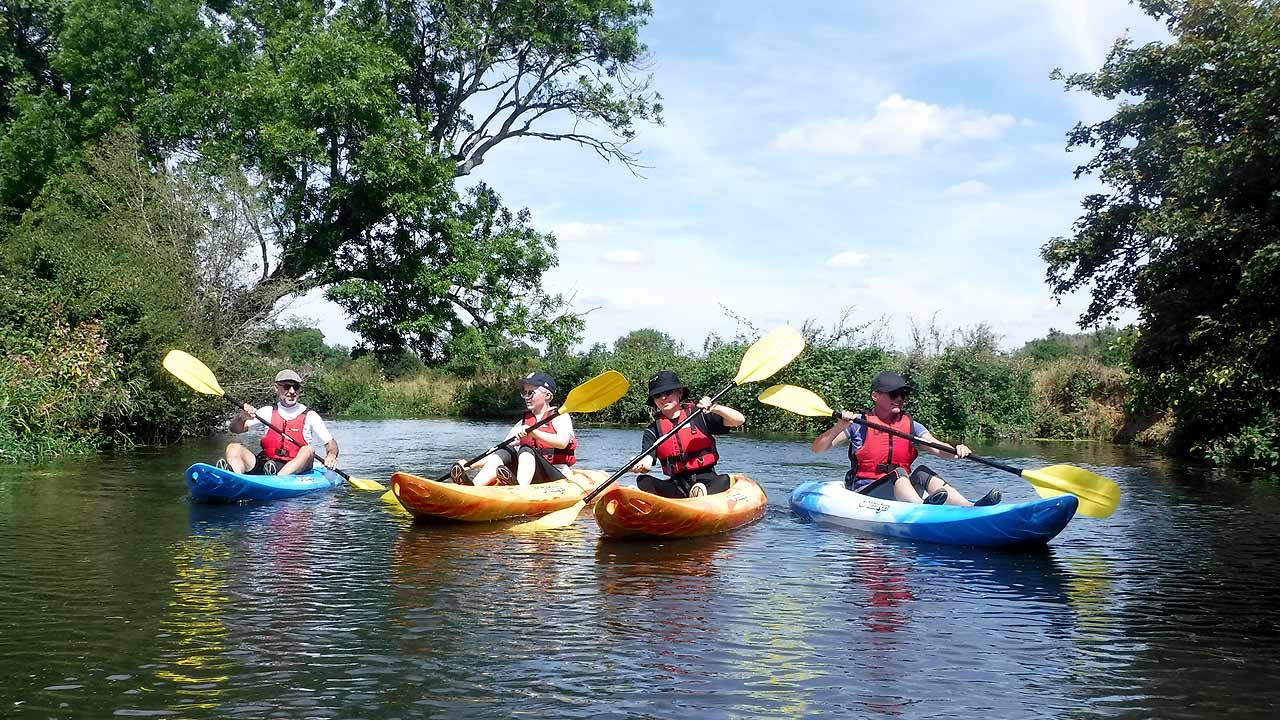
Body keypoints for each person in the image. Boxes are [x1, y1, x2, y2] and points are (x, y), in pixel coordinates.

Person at [810, 371, 1000, 506]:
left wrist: (957, 451)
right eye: (894, 394)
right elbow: (818, 448)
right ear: (875, 396)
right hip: (866, 494)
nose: (900, 399)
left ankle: (968, 507)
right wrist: (840, 426)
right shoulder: (858, 423)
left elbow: (936, 447)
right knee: (898, 473)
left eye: (903, 394)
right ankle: (922, 509)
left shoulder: (911, 425)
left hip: (902, 491)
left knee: (923, 472)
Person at [629, 370, 745, 498]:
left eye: (668, 392)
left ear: (679, 392)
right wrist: (638, 464)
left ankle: (701, 494)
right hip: (677, 487)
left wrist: (715, 408)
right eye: (657, 395)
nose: (663, 398)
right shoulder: (653, 429)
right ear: (654, 400)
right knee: (643, 480)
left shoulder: (699, 415)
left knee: (724, 480)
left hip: (707, 480)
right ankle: (675, 499)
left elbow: (739, 420)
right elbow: (647, 462)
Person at [454, 372, 577, 486]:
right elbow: (498, 450)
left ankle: (519, 489)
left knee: (526, 449)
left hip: (556, 476)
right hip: (532, 476)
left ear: (547, 395)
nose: (526, 397)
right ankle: (474, 487)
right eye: (524, 392)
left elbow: (562, 443)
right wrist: (470, 465)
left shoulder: (560, 417)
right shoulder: (523, 423)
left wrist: (534, 433)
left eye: (531, 393)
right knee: (505, 450)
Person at [219, 369, 339, 476]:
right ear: (276, 388)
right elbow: (235, 429)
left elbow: (330, 443)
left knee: (308, 450)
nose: (292, 391)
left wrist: (331, 455)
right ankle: (234, 476)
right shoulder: (267, 411)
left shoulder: (310, 415)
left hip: (296, 467)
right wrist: (241, 417)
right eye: (287, 386)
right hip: (268, 464)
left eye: (295, 387)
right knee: (233, 448)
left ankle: (278, 478)